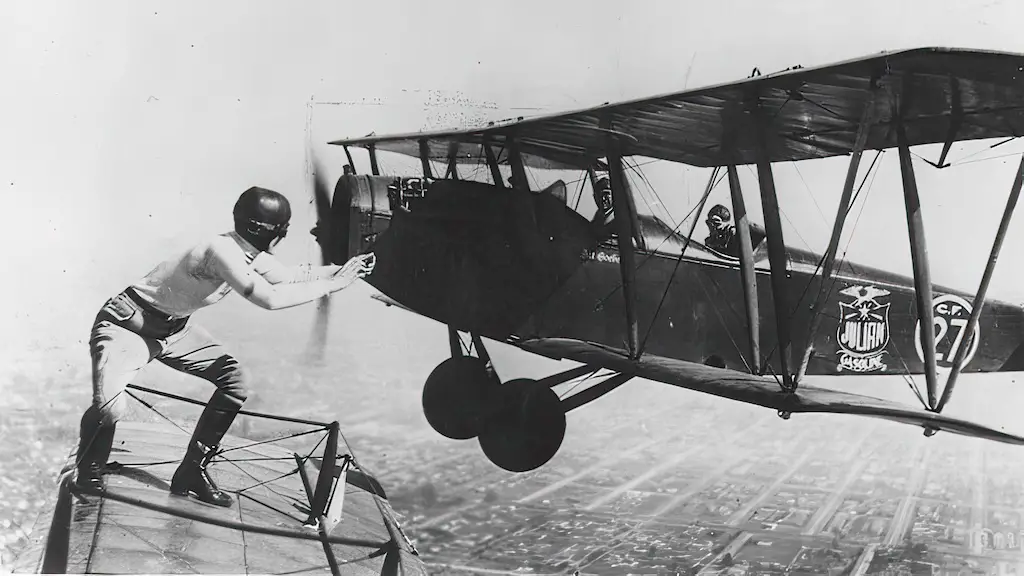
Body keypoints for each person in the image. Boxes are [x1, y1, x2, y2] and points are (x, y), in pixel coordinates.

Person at [75, 186, 375, 508]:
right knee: (110, 410)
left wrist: (346, 270)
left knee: (235, 381)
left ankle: (191, 472)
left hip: (173, 330)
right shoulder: (221, 251)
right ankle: (88, 473)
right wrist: (334, 285)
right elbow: (270, 299)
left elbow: (287, 277)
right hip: (127, 326)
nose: (284, 237)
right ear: (261, 230)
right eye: (282, 230)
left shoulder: (245, 251)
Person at [590, 175, 615, 239]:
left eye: (606, 194)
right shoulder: (597, 218)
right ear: (595, 198)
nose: (603, 199)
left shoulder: (620, 219)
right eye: (599, 195)